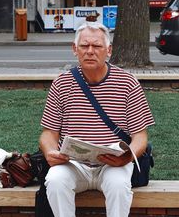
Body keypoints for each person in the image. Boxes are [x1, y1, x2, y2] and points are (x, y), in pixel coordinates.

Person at [39, 21, 155, 217]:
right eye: (84, 46)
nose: (90, 51)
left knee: (119, 185)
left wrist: (127, 157)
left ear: (108, 50)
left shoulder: (128, 83)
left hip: (113, 165)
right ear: (75, 49)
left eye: (97, 46)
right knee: (55, 180)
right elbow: (48, 134)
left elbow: (140, 137)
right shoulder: (61, 83)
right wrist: (50, 151)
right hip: (73, 164)